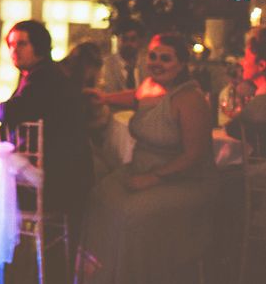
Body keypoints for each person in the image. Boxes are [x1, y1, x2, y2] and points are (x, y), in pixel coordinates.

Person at [0, 21, 94, 281]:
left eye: (21, 43)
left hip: (54, 184)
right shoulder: (42, 75)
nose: (14, 50)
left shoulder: (45, 78)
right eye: (10, 44)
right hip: (57, 179)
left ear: (40, 46)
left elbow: (18, 109)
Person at [76, 32, 217, 284]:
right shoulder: (149, 86)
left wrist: (154, 177)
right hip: (139, 170)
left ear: (182, 64)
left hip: (181, 179)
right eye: (153, 56)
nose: (157, 63)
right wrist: (105, 98)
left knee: (130, 214)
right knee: (98, 197)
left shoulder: (190, 99)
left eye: (166, 58)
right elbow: (137, 97)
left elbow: (194, 155)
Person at [226, 26, 266, 141]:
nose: (242, 63)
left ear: (262, 65)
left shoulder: (260, 104)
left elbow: (234, 129)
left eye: (247, 58)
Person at [99, 19, 148, 94]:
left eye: (133, 39)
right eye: (124, 39)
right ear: (118, 40)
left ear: (140, 41)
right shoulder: (105, 65)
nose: (128, 44)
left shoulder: (147, 65)